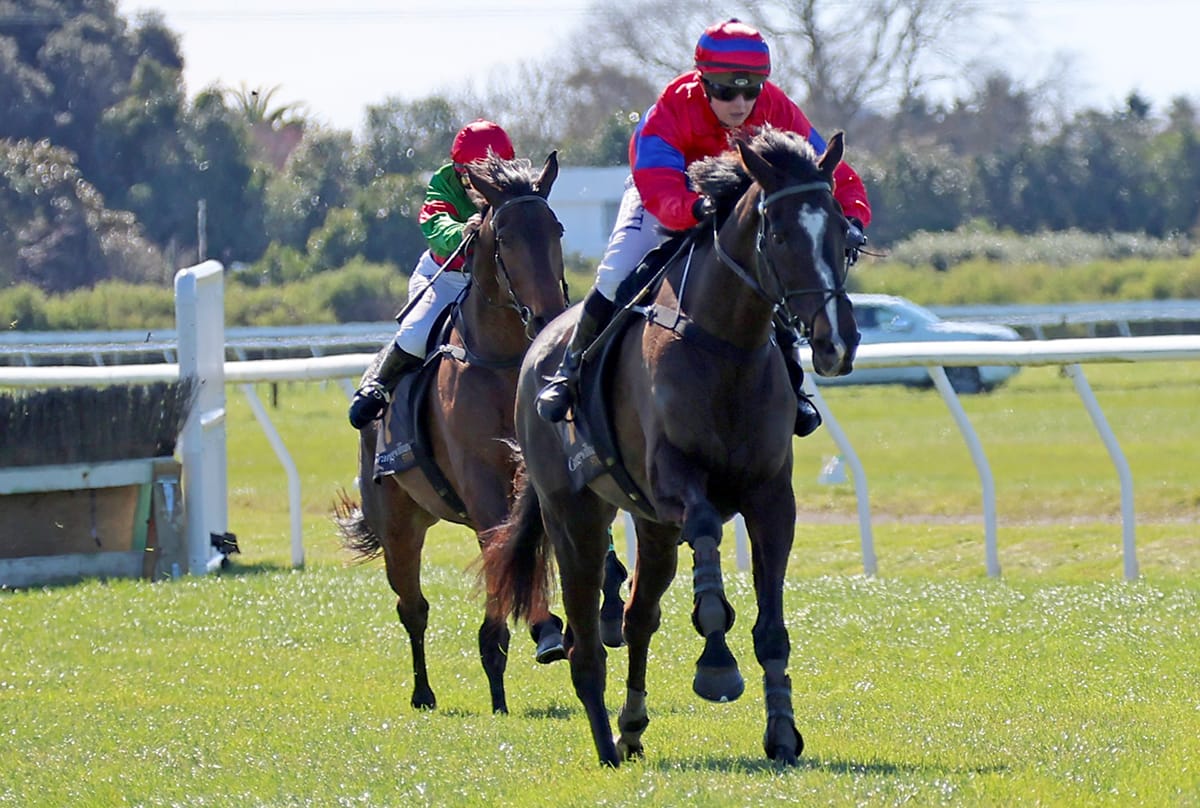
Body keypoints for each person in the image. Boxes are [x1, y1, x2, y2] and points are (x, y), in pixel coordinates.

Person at [534, 18, 872, 437]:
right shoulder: (671, 108)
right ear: (703, 82)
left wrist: (854, 216)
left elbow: (825, 172)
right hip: (665, 193)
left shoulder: (778, 107)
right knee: (617, 270)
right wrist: (694, 207)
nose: (741, 103)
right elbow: (659, 185)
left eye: (751, 90)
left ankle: (795, 387)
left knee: (770, 274)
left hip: (735, 202)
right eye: (727, 90)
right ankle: (570, 369)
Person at [348, 119, 516, 429]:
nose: (482, 186)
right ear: (459, 170)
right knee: (416, 335)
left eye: (491, 175)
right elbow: (436, 225)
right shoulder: (442, 184)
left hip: (498, 285)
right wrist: (462, 232)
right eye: (473, 177)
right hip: (445, 278)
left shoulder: (516, 186)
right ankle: (378, 386)